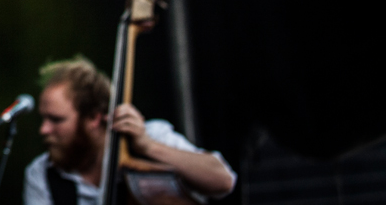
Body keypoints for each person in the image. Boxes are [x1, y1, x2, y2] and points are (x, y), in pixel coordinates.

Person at [23, 57, 235, 205]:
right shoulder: (41, 174)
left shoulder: (151, 136)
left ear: (94, 118)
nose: (44, 129)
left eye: (56, 120)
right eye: (43, 119)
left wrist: (149, 147)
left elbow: (223, 181)